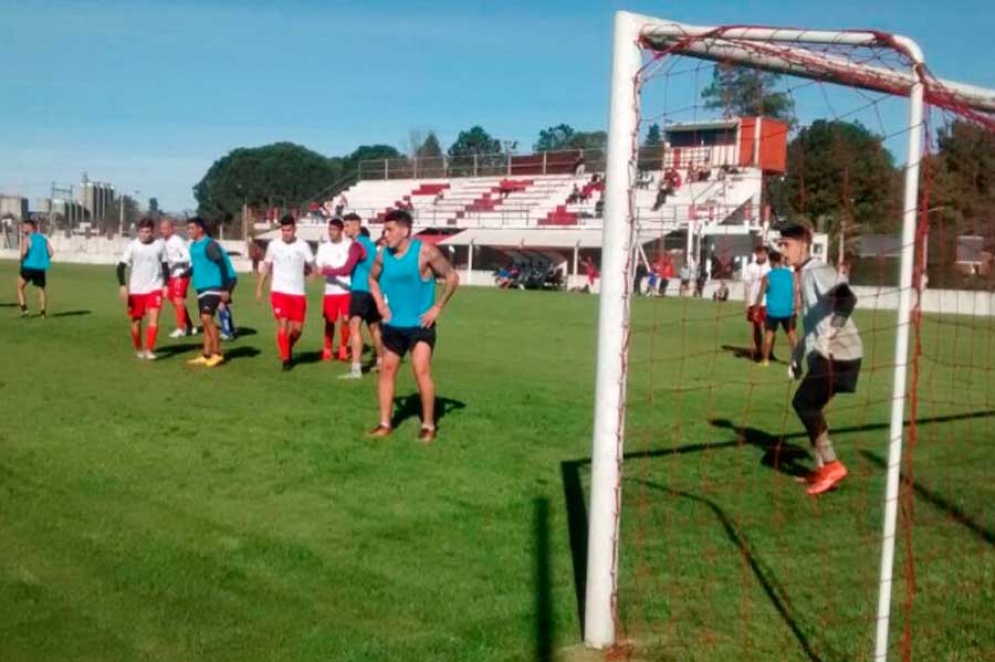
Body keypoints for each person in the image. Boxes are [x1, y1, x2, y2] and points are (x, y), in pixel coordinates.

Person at [779, 220, 863, 496]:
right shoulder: (802, 274)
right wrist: (798, 353)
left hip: (840, 355)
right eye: (780, 244)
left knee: (804, 403)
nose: (782, 250)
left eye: (786, 244)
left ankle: (832, 465)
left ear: (803, 245)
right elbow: (814, 321)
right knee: (811, 407)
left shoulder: (818, 271)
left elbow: (848, 299)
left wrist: (830, 336)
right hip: (826, 354)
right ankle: (823, 468)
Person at [367, 209, 459, 442]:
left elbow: (452, 277)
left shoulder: (425, 252)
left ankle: (428, 425)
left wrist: (437, 307)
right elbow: (371, 278)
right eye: (383, 230)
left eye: (389, 230)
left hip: (420, 326)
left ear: (404, 230)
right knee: (387, 371)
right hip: (394, 325)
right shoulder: (382, 255)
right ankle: (385, 423)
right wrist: (380, 303)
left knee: (421, 371)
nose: (385, 235)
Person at [256, 215, 314, 371]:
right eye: (283, 230)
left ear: (295, 229)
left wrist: (312, 273)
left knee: (297, 329)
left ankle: (286, 348)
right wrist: (259, 287)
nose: (286, 233)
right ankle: (286, 360)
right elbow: (267, 266)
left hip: (298, 292)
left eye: (289, 230)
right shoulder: (273, 245)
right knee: (283, 324)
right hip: (279, 290)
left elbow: (311, 265)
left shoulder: (303, 246)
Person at [186, 217, 236, 367]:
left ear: (200, 229)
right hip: (202, 286)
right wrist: (182, 274)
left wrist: (226, 288)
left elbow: (222, 264)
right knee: (205, 320)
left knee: (206, 318)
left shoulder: (210, 245)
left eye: (191, 228)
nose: (189, 231)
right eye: (188, 228)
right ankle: (206, 354)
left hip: (215, 285)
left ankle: (218, 353)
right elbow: (197, 265)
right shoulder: (194, 245)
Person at [117, 218, 169, 359]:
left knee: (153, 320)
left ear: (153, 232)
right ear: (138, 232)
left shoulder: (160, 245)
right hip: (136, 290)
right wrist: (122, 285)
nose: (145, 234)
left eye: (148, 232)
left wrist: (166, 285)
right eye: (142, 232)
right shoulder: (132, 246)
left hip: (155, 287)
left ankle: (149, 350)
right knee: (136, 322)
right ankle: (139, 348)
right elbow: (120, 268)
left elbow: (165, 266)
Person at [315, 217, 353, 362]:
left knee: (346, 319)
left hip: (346, 290)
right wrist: (321, 270)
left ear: (341, 230)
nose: (331, 232)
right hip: (330, 291)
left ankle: (343, 348)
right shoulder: (324, 247)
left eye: (334, 230)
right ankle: (328, 349)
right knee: (330, 321)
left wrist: (332, 270)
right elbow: (319, 268)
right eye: (330, 229)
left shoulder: (349, 245)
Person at [754, 251, 798, 366]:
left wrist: (756, 309)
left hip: (773, 311)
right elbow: (795, 292)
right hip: (788, 311)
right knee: (792, 336)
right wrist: (796, 305)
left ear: (772, 262)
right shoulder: (791, 274)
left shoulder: (767, 277)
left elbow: (760, 294)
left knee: (769, 335)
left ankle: (765, 360)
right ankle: (795, 360)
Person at [159, 219, 196, 338]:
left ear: (171, 229)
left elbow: (187, 256)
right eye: (161, 228)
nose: (162, 231)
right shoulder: (162, 242)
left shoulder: (177, 241)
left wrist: (174, 261)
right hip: (171, 275)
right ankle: (189, 326)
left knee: (178, 300)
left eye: (165, 228)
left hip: (182, 273)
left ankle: (181, 328)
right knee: (173, 300)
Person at [17, 219, 54, 317]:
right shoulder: (43, 238)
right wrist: (42, 259)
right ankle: (42, 313)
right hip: (40, 268)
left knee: (20, 287)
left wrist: (21, 260)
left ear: (31, 227)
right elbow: (51, 253)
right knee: (41, 290)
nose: (23, 228)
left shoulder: (27, 238)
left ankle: (25, 311)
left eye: (24, 226)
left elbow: (24, 252)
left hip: (28, 267)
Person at [743, 245, 771, 361]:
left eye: (762, 253)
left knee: (769, 327)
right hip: (754, 302)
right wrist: (747, 301)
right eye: (758, 253)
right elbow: (747, 285)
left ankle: (768, 352)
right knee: (756, 326)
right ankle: (759, 350)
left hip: (768, 301)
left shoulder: (770, 267)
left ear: (766, 254)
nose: (760, 256)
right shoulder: (750, 267)